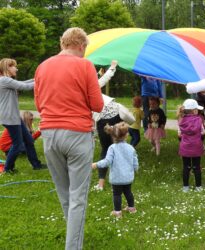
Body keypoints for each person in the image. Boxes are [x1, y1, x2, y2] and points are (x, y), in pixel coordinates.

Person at [34, 27, 104, 250]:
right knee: (78, 198)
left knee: (65, 195)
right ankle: (73, 246)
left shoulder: (42, 66)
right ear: (81, 45)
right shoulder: (85, 65)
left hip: (49, 135)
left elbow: (38, 104)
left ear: (62, 43)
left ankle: (73, 238)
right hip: (77, 134)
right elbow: (97, 105)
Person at [0, 58, 46, 173]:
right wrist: (44, 79)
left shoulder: (6, 81)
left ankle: (36, 165)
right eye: (13, 66)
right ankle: (8, 169)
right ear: (7, 68)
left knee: (29, 141)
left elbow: (23, 83)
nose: (16, 68)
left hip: (14, 116)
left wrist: (37, 78)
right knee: (18, 144)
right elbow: (25, 87)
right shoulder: (4, 80)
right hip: (10, 117)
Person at [92, 122, 139, 218]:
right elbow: (135, 161)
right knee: (128, 192)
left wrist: (96, 164)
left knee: (117, 194)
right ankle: (131, 208)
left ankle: (117, 212)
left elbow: (107, 161)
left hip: (117, 177)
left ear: (112, 136)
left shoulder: (112, 148)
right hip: (128, 177)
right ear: (126, 135)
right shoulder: (130, 148)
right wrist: (136, 168)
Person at [92, 60, 122, 191]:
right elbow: (103, 80)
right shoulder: (91, 85)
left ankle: (101, 184)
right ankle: (120, 180)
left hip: (103, 119)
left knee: (106, 149)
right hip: (114, 113)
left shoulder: (75, 90)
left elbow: (102, 80)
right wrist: (112, 67)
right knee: (118, 146)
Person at [178, 99, 205, 192]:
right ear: (194, 110)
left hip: (185, 147)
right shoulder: (199, 120)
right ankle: (198, 187)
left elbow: (179, 134)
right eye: (197, 109)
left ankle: (185, 187)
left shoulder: (182, 121)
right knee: (197, 167)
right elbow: (202, 132)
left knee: (186, 167)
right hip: (196, 147)